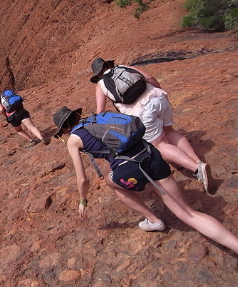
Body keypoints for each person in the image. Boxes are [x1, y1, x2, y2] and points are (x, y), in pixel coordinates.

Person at [53, 106, 238, 254]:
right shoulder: (98, 119)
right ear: (77, 117)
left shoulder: (73, 140)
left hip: (128, 169)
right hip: (151, 155)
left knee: (112, 182)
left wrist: (82, 201)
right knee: (188, 214)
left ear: (64, 129)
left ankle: (153, 219)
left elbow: (82, 179)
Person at [90, 57, 212, 193]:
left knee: (160, 145)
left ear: (98, 74)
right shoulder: (124, 67)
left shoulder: (101, 85)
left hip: (142, 112)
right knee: (170, 132)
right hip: (158, 98)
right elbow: (150, 78)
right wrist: (161, 93)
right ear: (108, 65)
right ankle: (198, 161)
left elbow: (100, 112)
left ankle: (196, 168)